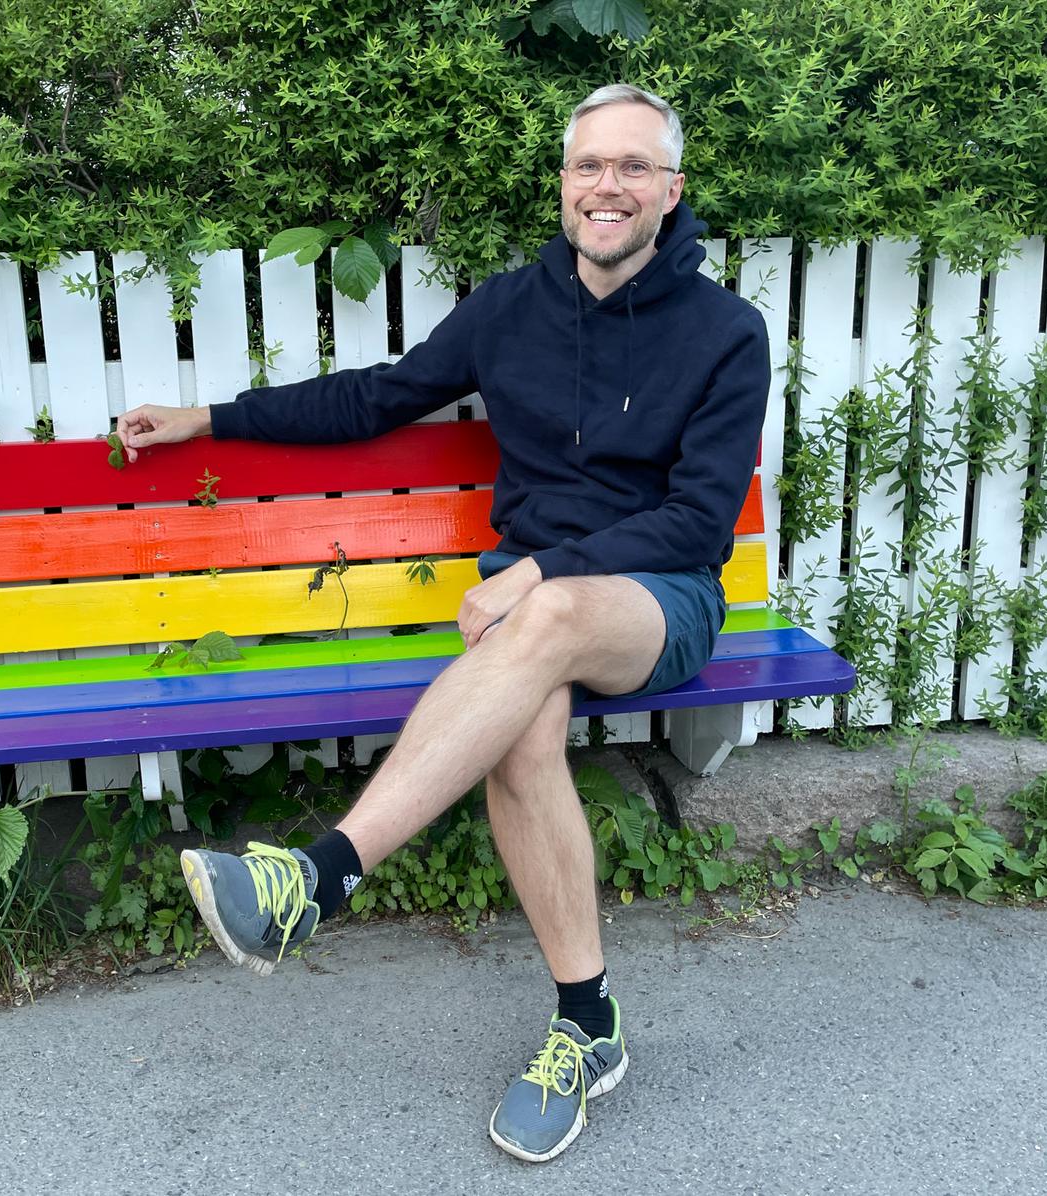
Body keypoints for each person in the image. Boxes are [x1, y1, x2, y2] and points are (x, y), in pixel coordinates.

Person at [115, 84, 769, 1163]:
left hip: (659, 601)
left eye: (632, 168)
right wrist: (210, 416)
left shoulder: (724, 332)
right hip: (534, 611)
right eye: (587, 166)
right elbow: (376, 397)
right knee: (519, 732)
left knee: (545, 610)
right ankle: (587, 1025)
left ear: (671, 190)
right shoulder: (511, 307)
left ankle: (320, 874)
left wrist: (541, 572)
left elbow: (697, 522)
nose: (606, 186)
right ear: (564, 184)